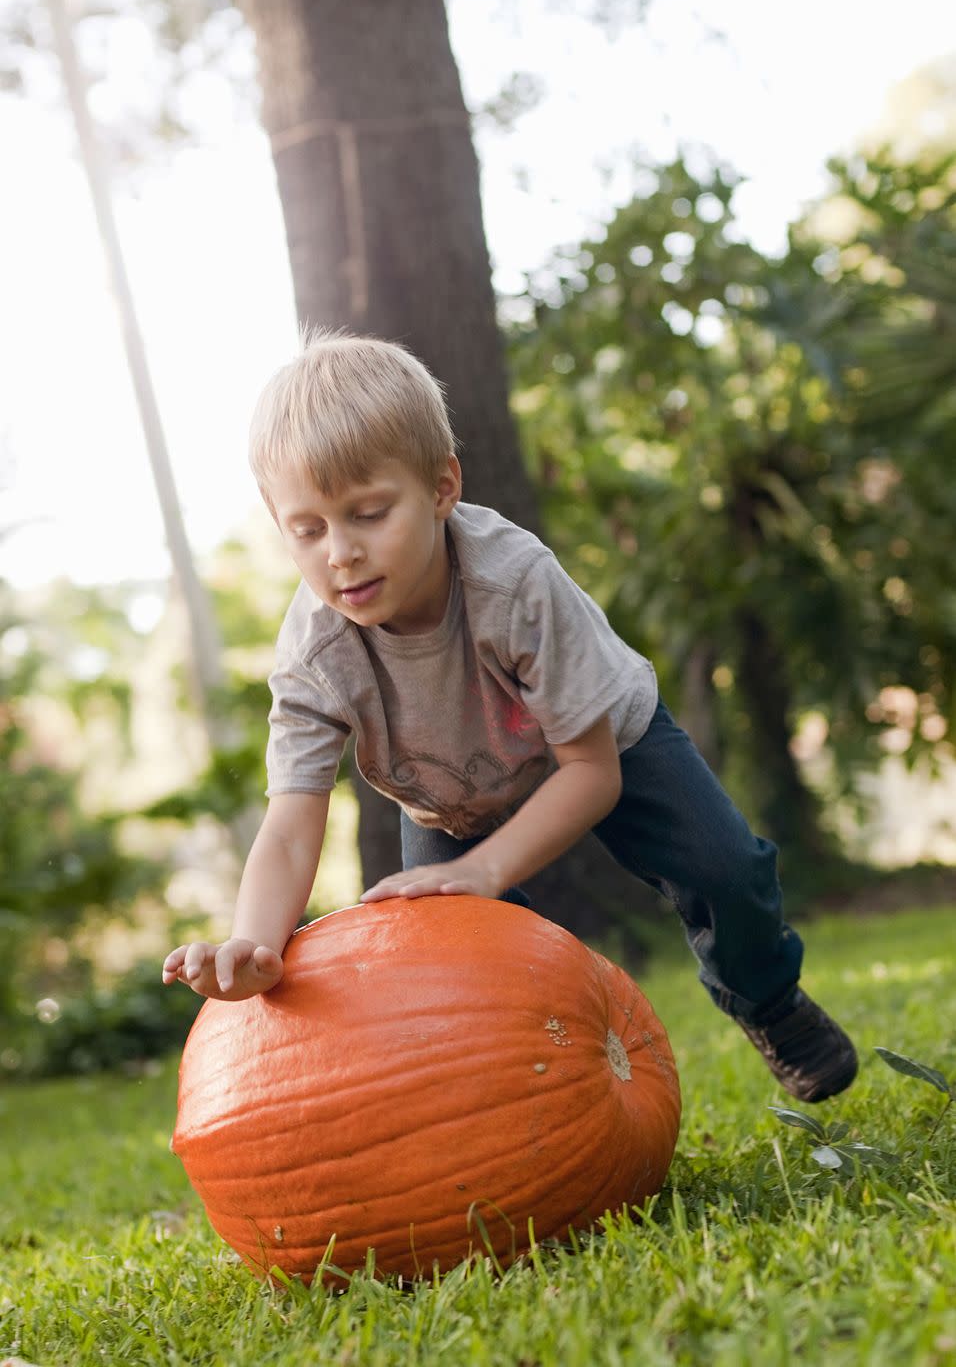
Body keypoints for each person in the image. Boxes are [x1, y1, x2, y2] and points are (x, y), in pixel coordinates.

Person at [162, 329, 857, 1103]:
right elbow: (291, 823)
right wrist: (256, 942)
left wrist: (484, 871)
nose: (342, 554)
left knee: (727, 869)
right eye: (309, 529)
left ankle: (769, 1000)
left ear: (440, 488)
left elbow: (592, 773)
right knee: (452, 963)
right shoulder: (314, 654)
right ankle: (538, 1101)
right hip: (451, 801)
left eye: (368, 514)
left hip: (604, 744)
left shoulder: (514, 582)